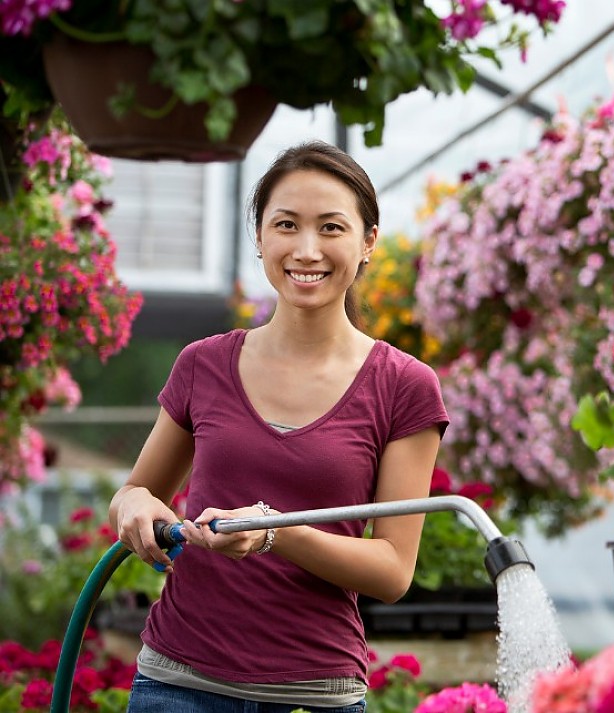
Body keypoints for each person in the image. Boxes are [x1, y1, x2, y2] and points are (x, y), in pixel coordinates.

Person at [109, 140, 448, 712]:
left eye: (332, 228)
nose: (307, 249)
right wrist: (136, 507)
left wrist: (275, 531)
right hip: (177, 686)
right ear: (261, 236)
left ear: (368, 241)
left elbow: (392, 570)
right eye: (286, 224)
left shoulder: (403, 385)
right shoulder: (203, 363)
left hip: (313, 695)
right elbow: (135, 490)